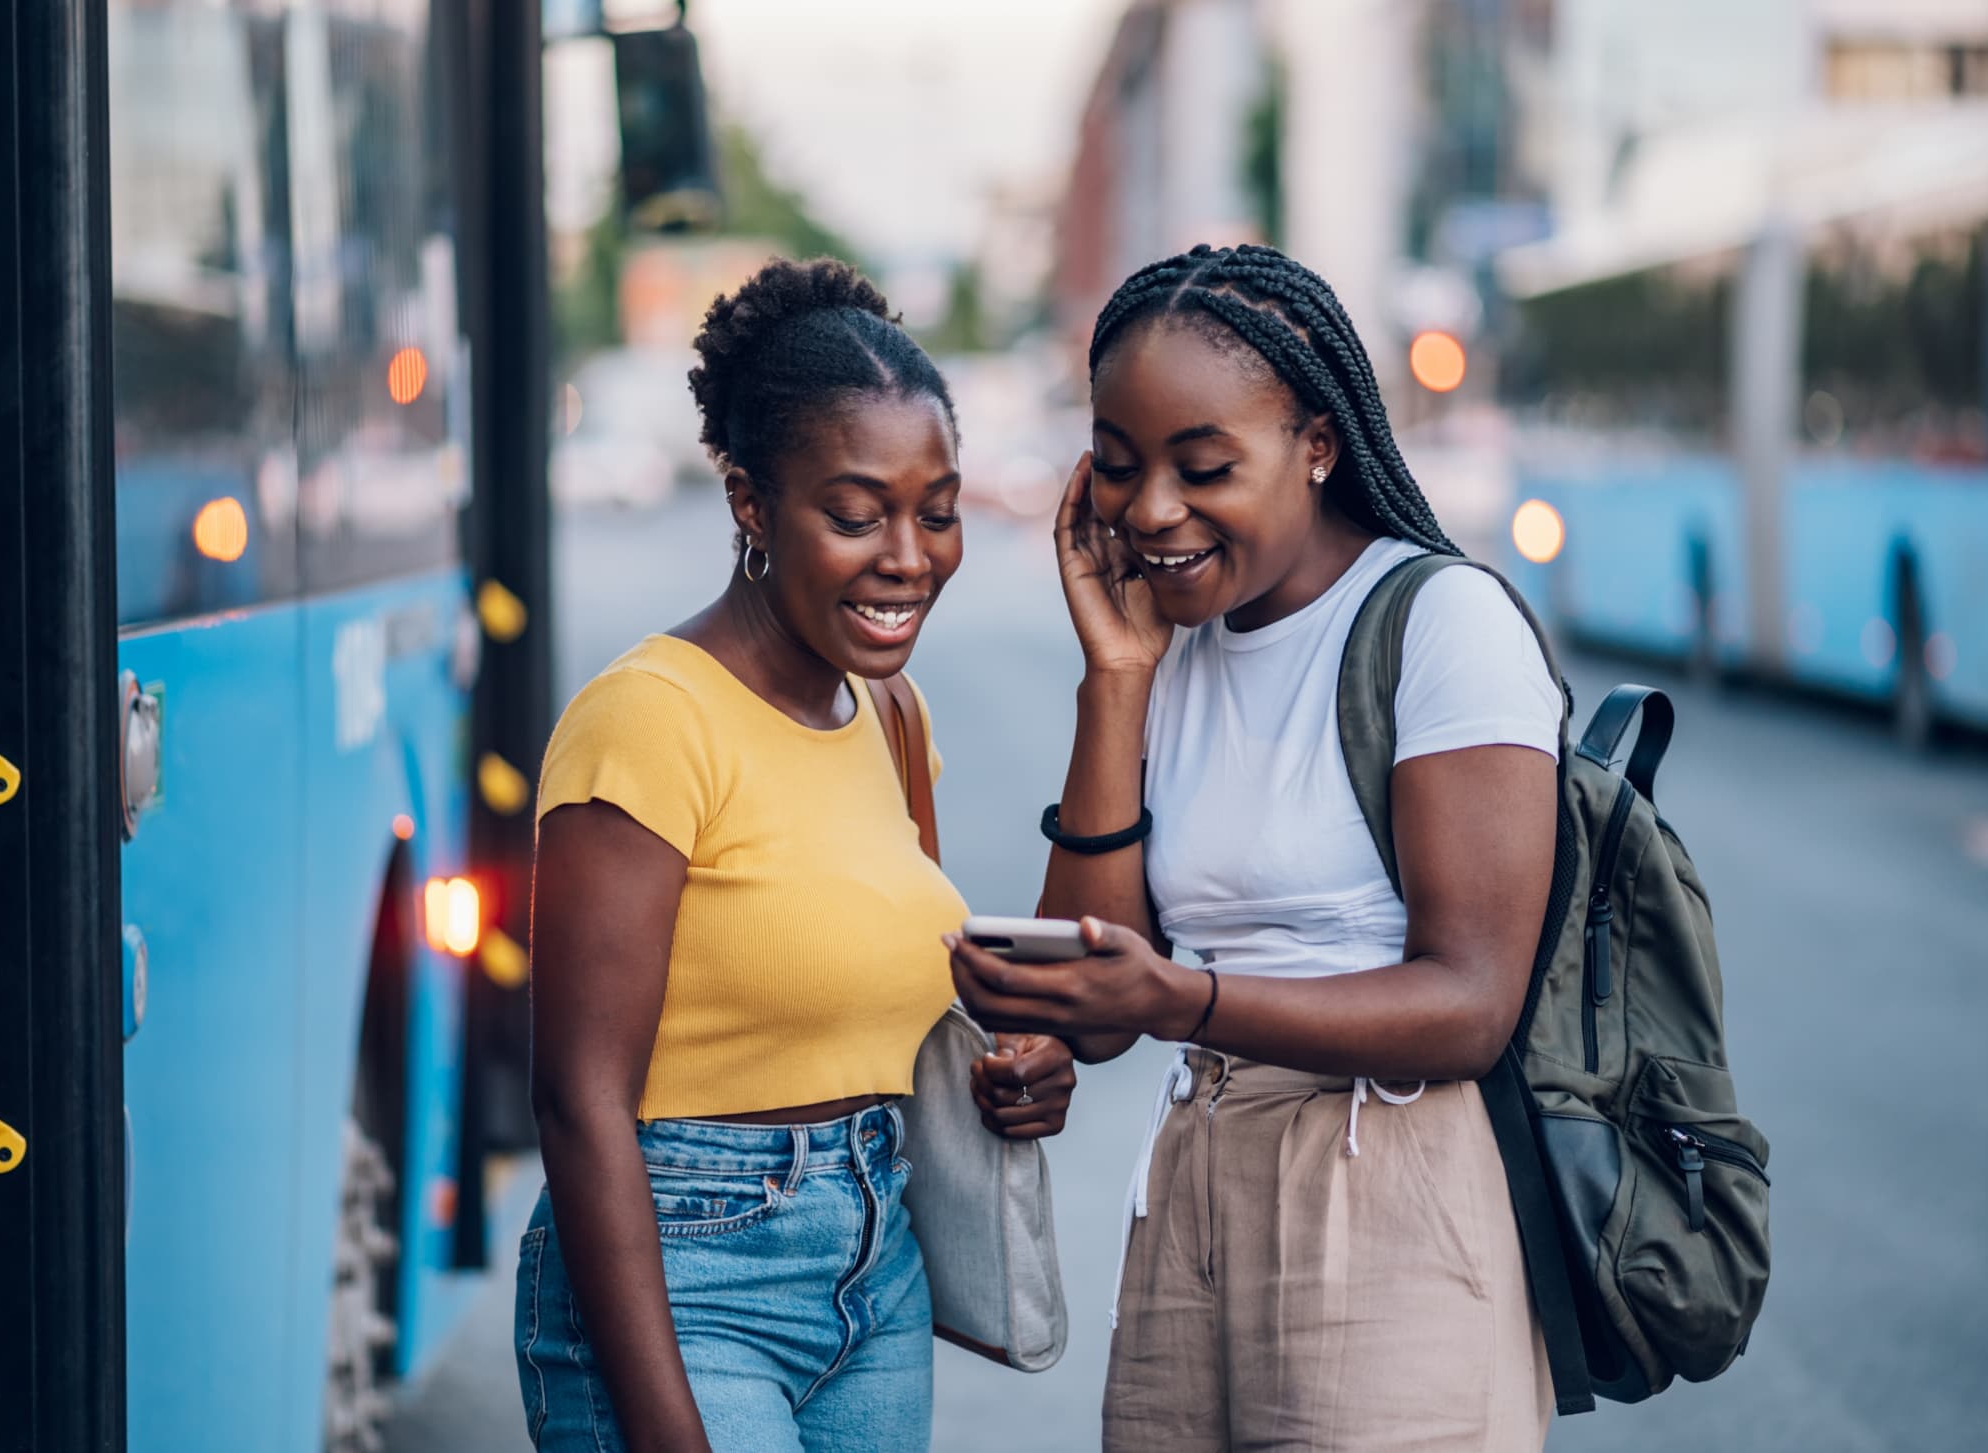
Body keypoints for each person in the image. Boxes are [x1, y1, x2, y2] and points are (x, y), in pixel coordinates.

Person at [946, 243, 1564, 1452]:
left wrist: (1184, 995)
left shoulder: (1441, 623)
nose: (1150, 512)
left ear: (1318, 445)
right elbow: (1096, 1010)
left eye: (1203, 466)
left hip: (1389, 1177)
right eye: (1118, 469)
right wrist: (1114, 681)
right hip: (1194, 1183)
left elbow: (1470, 1001)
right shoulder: (1171, 648)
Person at [521, 257, 1077, 1453]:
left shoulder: (890, 715)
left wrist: (1016, 1072)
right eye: (854, 510)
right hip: (682, 1275)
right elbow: (577, 1101)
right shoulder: (648, 719)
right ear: (749, 504)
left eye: (935, 509)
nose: (908, 554)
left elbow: (915, 996)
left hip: (876, 1277)